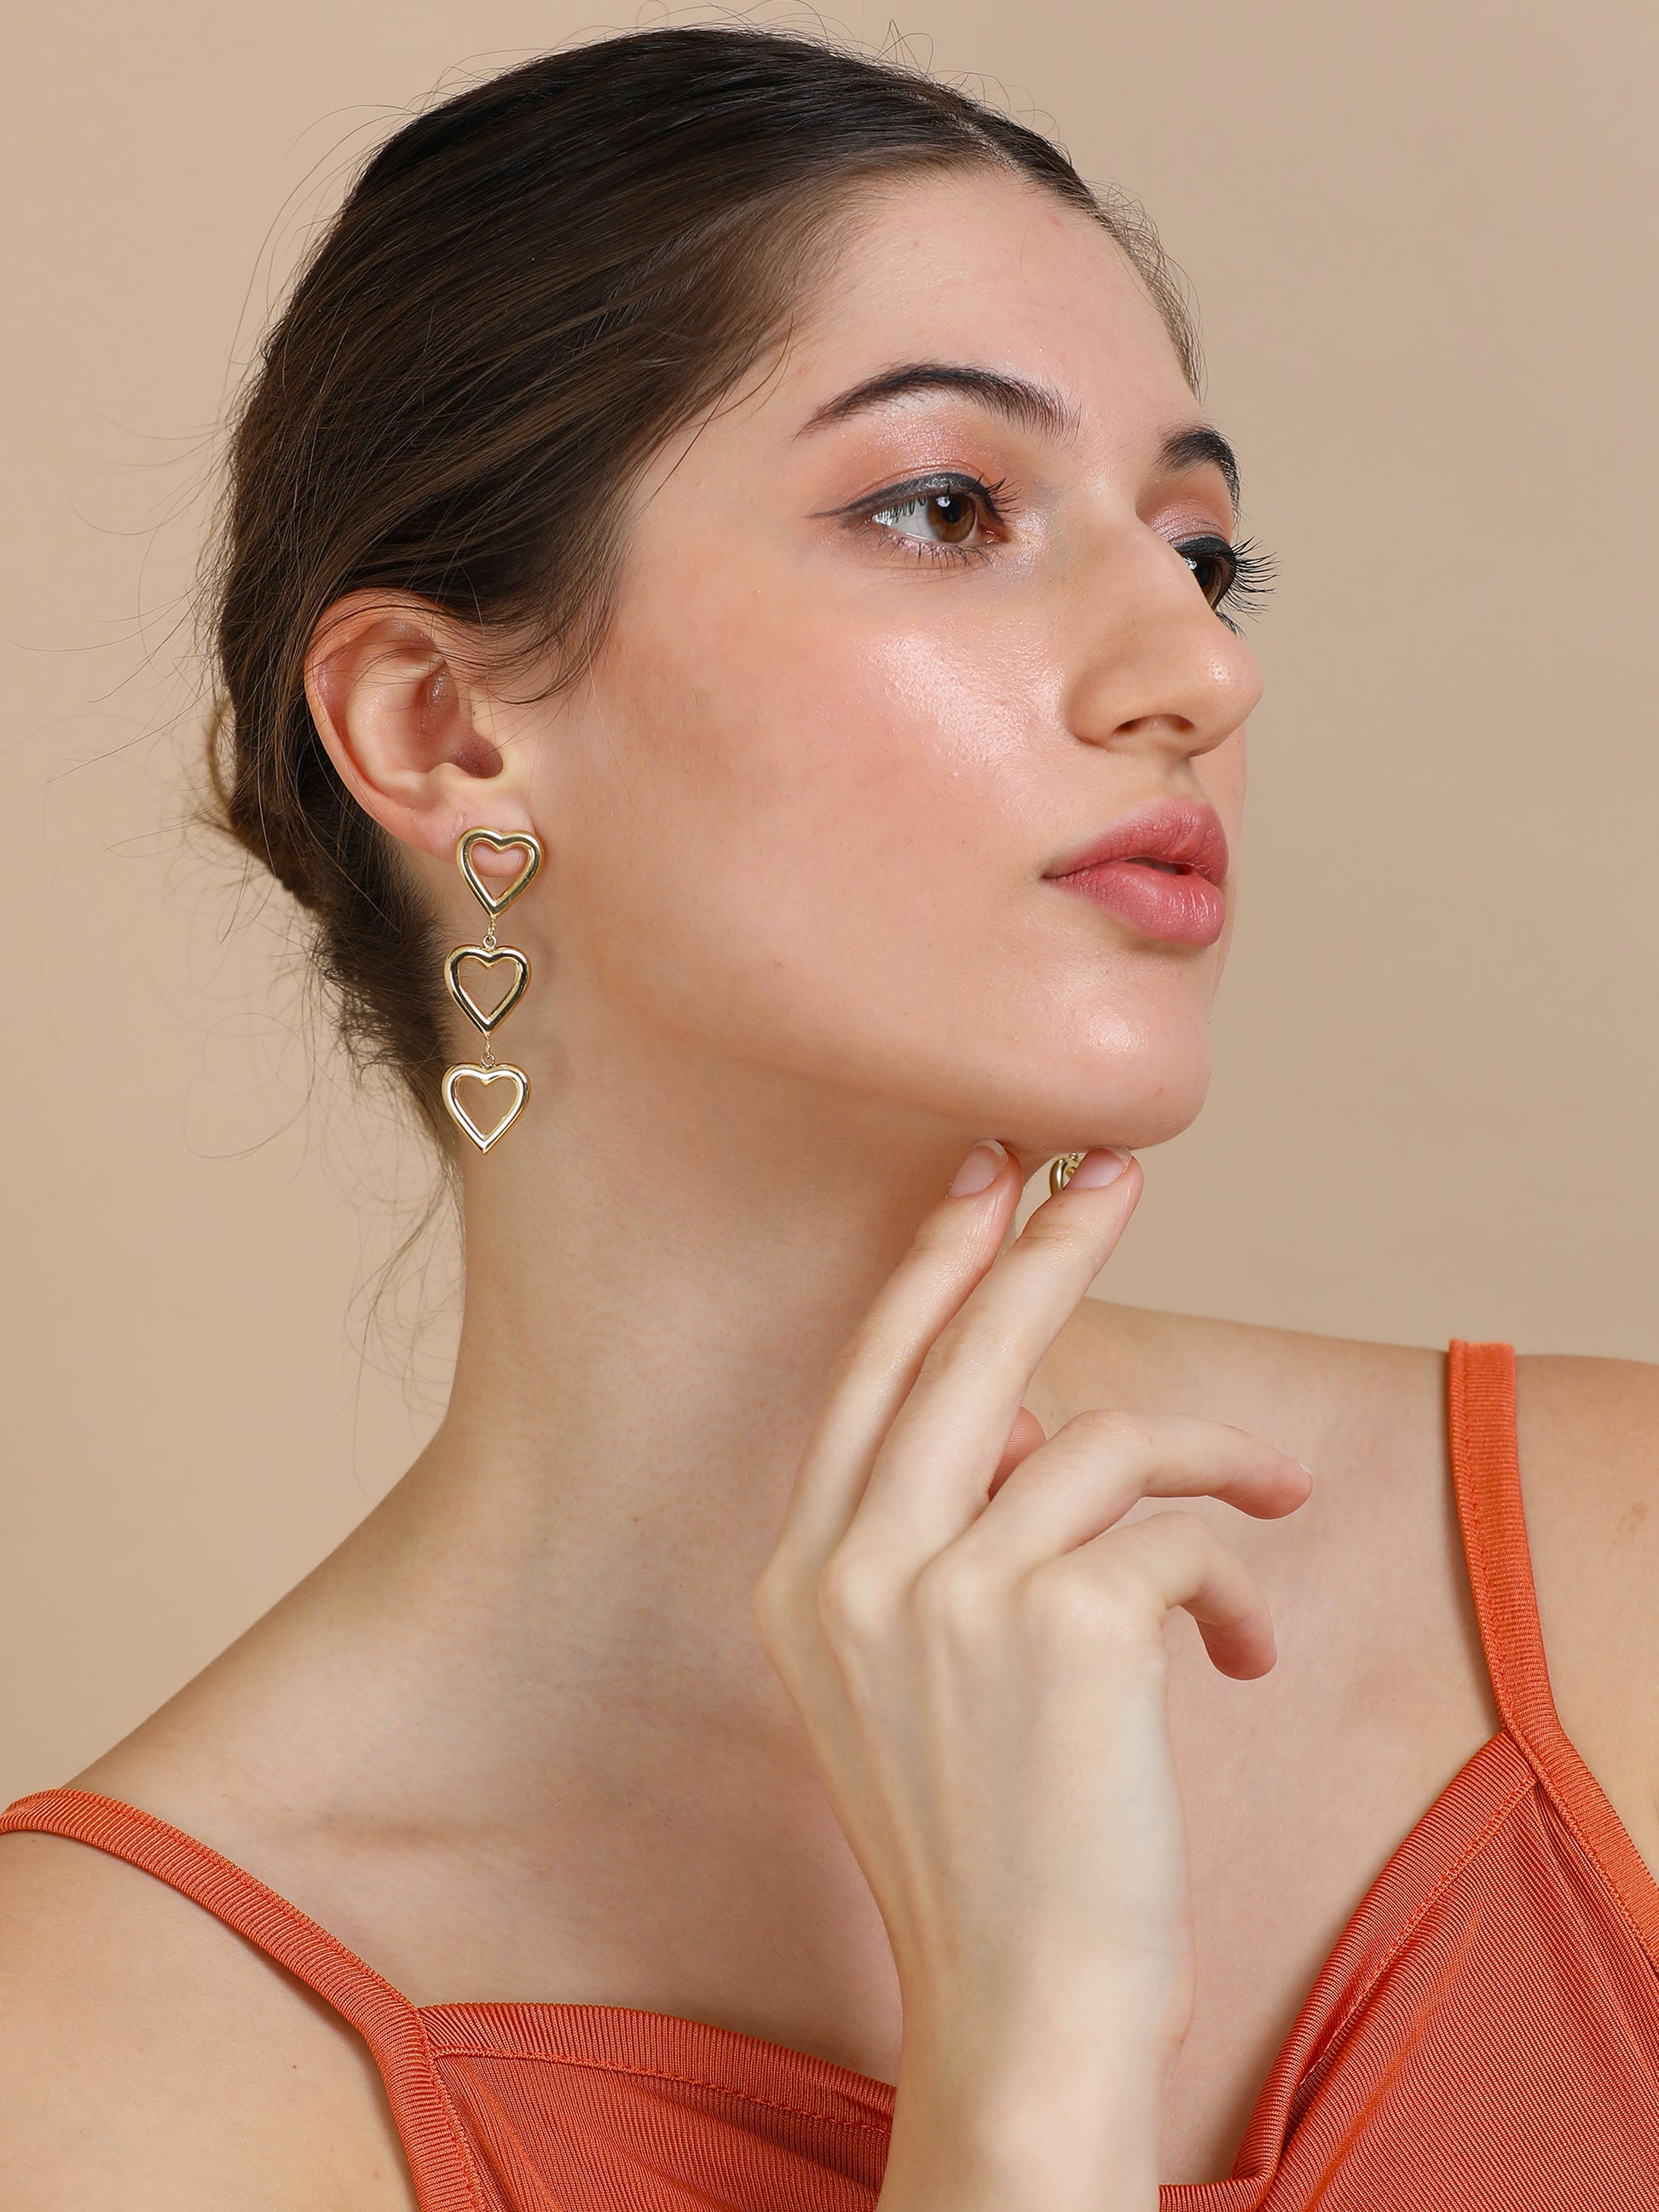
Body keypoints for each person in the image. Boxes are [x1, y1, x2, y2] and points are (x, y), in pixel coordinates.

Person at [2, 24, 1656, 2211]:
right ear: (442, 731)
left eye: (1200, 549)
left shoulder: (1610, 1575)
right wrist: (1029, 2050)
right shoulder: (101, 2060)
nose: (1197, 666)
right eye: (949, 508)